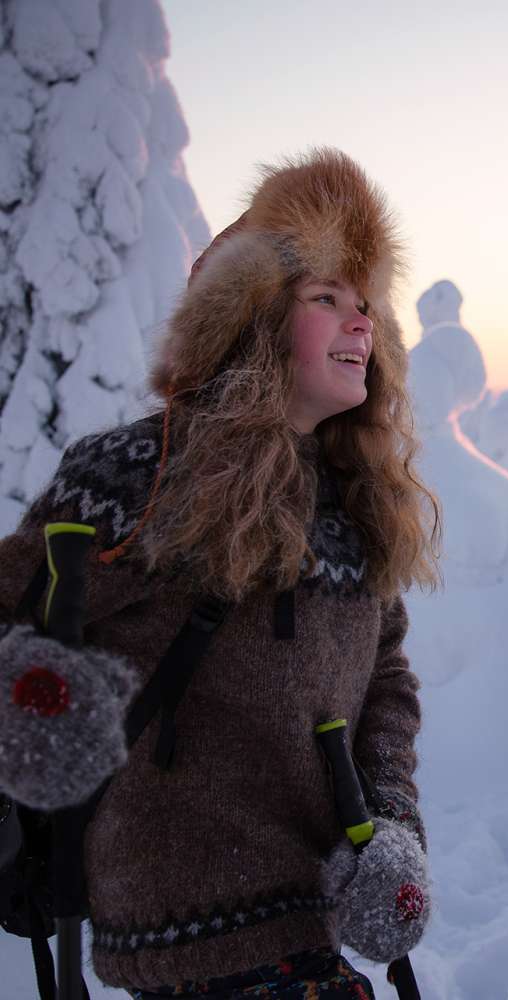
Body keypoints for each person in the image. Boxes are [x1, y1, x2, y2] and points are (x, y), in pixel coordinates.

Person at [0, 149, 439, 998]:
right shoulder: (139, 475)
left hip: (316, 923)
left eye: (365, 304)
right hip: (192, 937)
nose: (361, 325)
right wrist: (42, 703)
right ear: (253, 318)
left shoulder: (352, 501)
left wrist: (392, 831)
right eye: (326, 299)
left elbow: (386, 682)